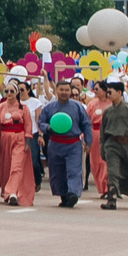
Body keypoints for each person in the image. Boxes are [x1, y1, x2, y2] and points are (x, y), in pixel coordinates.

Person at [39, 79, 94, 208]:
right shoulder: (49, 107)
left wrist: (88, 142)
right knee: (57, 171)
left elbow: (86, 124)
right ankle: (63, 195)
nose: (64, 92)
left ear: (71, 91)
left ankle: (73, 193)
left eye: (66, 90)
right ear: (56, 91)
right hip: (55, 143)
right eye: (61, 90)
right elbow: (41, 122)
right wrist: (48, 128)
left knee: (74, 170)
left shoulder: (77, 107)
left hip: (73, 144)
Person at [98, 78, 128, 211]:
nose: (108, 94)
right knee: (112, 173)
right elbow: (103, 132)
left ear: (119, 92)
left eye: (110, 92)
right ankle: (111, 200)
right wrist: (102, 148)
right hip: (112, 144)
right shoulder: (107, 111)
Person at [0, 81, 36, 207]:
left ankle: (13, 193)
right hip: (5, 138)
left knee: (17, 166)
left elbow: (28, 125)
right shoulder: (0, 108)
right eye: (7, 91)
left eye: (12, 91)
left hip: (19, 138)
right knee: (7, 166)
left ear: (17, 93)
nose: (9, 94)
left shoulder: (23, 108)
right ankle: (7, 192)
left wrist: (27, 140)